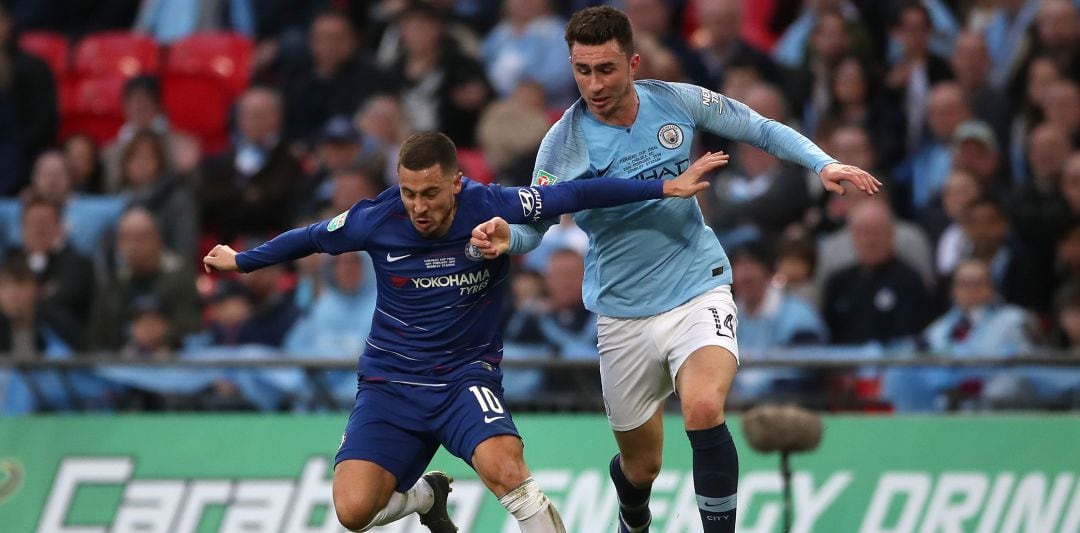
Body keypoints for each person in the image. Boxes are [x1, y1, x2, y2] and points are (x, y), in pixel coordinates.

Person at [469, 7, 879, 532]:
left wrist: (824, 163)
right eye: (582, 70)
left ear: (633, 63)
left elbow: (757, 127)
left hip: (697, 285)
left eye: (606, 69)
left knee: (704, 408)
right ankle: (633, 513)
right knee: (642, 467)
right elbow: (534, 224)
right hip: (622, 313)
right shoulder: (563, 143)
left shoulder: (676, 101)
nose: (593, 83)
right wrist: (507, 238)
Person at [202, 131, 728, 533]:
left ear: (456, 182)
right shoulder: (376, 218)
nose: (419, 207)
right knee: (352, 513)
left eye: (431, 193)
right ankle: (427, 498)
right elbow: (311, 238)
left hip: (463, 378)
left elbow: (577, 193)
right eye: (409, 193)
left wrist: (664, 186)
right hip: (390, 383)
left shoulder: (492, 206)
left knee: (509, 473)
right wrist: (242, 261)